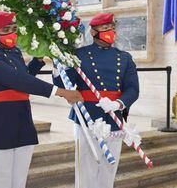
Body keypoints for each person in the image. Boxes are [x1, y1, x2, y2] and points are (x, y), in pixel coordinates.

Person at [0, 10, 83, 188]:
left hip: (22, 124)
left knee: (19, 182)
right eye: (6, 29)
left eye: (14, 28)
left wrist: (39, 59)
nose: (12, 33)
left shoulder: (14, 52)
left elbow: (24, 75)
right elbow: (19, 80)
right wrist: (61, 92)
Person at [53, 12, 139, 188]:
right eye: (106, 28)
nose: (111, 32)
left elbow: (133, 89)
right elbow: (64, 84)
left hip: (114, 118)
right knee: (86, 170)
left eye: (113, 28)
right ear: (93, 32)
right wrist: (58, 64)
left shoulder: (125, 58)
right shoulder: (79, 55)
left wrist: (118, 104)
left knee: (109, 170)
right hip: (87, 118)